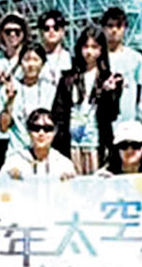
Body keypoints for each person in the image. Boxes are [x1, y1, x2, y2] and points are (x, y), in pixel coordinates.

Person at [51, 25, 122, 175]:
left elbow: (112, 114)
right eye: (86, 46)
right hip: (71, 143)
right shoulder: (68, 78)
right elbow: (58, 112)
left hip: (96, 142)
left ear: (101, 50)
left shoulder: (108, 77)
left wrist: (108, 93)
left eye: (94, 47)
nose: (89, 52)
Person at [0, 14, 30, 169]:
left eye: (17, 31)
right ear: (1, 34)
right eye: (8, 31)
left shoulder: (29, 59)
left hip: (21, 130)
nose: (12, 35)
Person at [0, 43, 56, 152]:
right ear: (20, 63)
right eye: (26, 60)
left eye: (35, 60)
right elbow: (3, 127)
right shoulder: (10, 88)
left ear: (43, 63)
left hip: (44, 151)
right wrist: (10, 101)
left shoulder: (51, 90)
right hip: (16, 151)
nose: (31, 64)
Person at [3, 109, 75, 180]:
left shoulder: (64, 164)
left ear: (54, 132)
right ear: (29, 131)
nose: (41, 133)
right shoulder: (14, 162)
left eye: (47, 128)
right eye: (36, 128)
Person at [101, 6, 142, 121]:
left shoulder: (136, 58)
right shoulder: (98, 57)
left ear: (125, 28)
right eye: (110, 26)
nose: (114, 30)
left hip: (128, 122)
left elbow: (140, 94)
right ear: (103, 28)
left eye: (119, 26)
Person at [37, 10, 72, 84]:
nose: (51, 31)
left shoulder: (71, 59)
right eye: (46, 28)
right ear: (41, 32)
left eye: (56, 28)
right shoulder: (35, 59)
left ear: (63, 31)